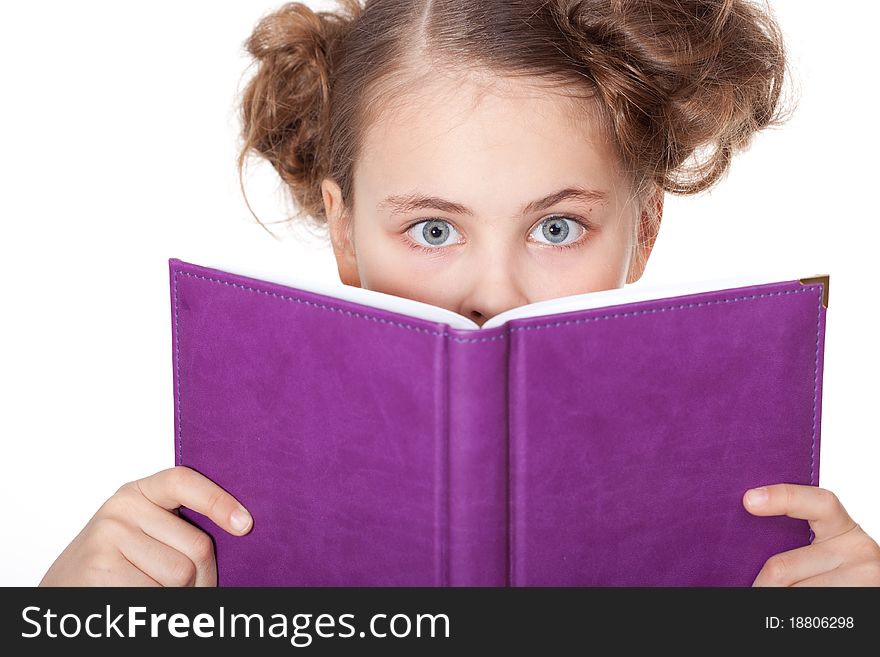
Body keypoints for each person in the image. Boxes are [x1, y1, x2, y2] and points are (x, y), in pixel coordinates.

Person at [40, 0, 880, 586]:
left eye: (557, 228)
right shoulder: (194, 550)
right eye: (434, 229)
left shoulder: (775, 552)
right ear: (343, 229)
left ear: (645, 227)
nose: (494, 293)